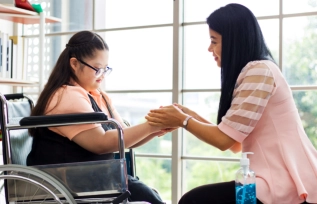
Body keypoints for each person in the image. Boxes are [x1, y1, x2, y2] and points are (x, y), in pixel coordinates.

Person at [145, 3, 317, 204]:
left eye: (214, 41)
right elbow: (235, 143)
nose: (210, 48)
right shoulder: (255, 71)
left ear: (235, 41)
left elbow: (224, 141)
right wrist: (188, 115)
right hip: (268, 183)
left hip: (282, 185)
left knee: (193, 200)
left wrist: (183, 120)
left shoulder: (259, 71)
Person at [26, 30, 167, 204]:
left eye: (105, 69)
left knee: (147, 196)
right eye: (97, 69)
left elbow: (121, 137)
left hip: (93, 177)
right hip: (68, 182)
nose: (101, 75)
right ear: (75, 64)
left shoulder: (96, 94)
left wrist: (157, 127)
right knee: (148, 198)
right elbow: (101, 144)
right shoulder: (67, 95)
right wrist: (152, 126)